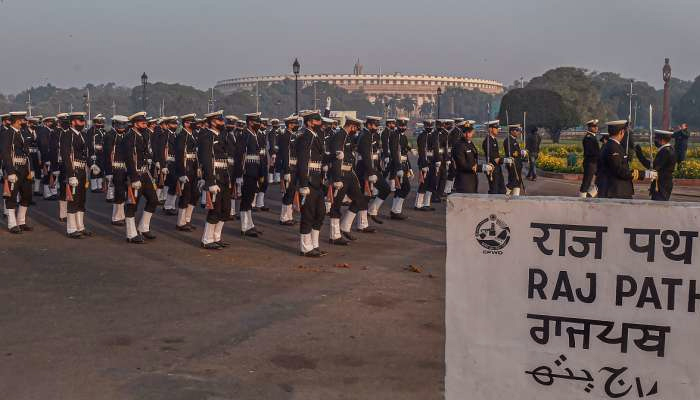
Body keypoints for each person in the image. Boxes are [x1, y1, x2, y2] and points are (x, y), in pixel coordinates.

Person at [327, 116, 369, 245]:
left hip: (350, 173)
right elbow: (336, 158)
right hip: (341, 174)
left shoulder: (347, 137)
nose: (356, 131)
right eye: (355, 128)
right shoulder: (339, 136)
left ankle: (345, 227)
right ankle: (334, 236)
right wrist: (336, 178)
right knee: (336, 205)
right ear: (352, 126)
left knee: (359, 200)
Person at [197, 110, 233, 249]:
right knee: (215, 210)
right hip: (214, 176)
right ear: (213, 122)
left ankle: (216, 237)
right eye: (220, 120)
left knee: (226, 210)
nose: (223, 123)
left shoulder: (223, 135)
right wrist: (210, 182)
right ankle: (206, 239)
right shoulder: (207, 136)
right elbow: (206, 160)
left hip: (224, 175)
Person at [122, 112, 159, 243]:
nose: (145, 125)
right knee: (132, 205)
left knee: (154, 199)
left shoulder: (142, 135)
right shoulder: (129, 137)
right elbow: (129, 159)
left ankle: (143, 227)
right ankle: (131, 234)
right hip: (135, 174)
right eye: (143, 123)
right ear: (135, 123)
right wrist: (133, 178)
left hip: (144, 173)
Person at [296, 110, 327, 257]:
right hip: (309, 181)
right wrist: (303, 184)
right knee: (308, 215)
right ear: (309, 122)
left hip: (318, 181)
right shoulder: (305, 137)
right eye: (317, 121)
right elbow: (302, 162)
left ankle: (314, 244)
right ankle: (305, 247)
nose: (320, 123)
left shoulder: (314, 136)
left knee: (320, 213)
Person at [598, 120, 653, 199]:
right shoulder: (613, 148)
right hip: (616, 191)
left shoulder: (612, 145)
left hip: (616, 190)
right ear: (621, 132)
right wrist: (644, 174)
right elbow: (621, 171)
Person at [61, 112, 93, 238]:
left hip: (82, 170)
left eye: (83, 121)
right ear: (73, 122)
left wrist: (92, 164)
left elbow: (86, 154)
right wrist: (71, 174)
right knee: (73, 200)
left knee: (81, 200)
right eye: (80, 121)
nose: (83, 123)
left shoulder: (83, 135)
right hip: (73, 170)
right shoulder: (67, 135)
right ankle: (71, 228)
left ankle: (80, 226)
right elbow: (66, 156)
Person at [2, 112, 33, 233]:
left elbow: (27, 153)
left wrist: (32, 169)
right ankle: (12, 224)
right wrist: (10, 172)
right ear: (17, 121)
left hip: (24, 168)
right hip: (14, 168)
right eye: (22, 120)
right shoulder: (7, 134)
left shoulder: (22, 133)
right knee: (12, 197)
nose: (24, 122)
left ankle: (21, 221)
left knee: (27, 195)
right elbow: (5, 153)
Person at [356, 116, 388, 228]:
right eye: (375, 125)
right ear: (369, 125)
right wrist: (370, 172)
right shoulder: (365, 136)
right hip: (365, 169)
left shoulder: (371, 135)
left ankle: (372, 211)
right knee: (365, 196)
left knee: (385, 189)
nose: (377, 127)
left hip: (373, 168)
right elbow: (365, 156)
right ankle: (362, 224)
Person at [235, 112, 264, 237]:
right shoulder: (245, 135)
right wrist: (239, 175)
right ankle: (244, 227)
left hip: (255, 171)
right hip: (247, 171)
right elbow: (240, 156)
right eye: (256, 121)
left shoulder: (256, 135)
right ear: (250, 122)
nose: (258, 123)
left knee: (250, 198)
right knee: (246, 200)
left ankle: (250, 225)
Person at [174, 113, 200, 231]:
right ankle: (180, 222)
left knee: (195, 195)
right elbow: (179, 155)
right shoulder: (181, 136)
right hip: (186, 168)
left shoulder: (193, 134)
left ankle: (187, 219)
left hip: (193, 167)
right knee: (186, 195)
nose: (194, 124)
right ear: (185, 123)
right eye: (191, 122)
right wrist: (181, 173)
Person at [635, 130, 676, 201]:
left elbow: (653, 167)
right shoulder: (668, 149)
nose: (655, 141)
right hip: (663, 183)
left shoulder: (665, 151)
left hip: (662, 185)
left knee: (659, 207)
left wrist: (640, 156)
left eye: (656, 139)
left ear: (662, 140)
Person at [103, 115, 129, 226]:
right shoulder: (110, 136)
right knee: (119, 193)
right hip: (115, 168)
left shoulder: (125, 135)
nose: (122, 127)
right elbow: (107, 155)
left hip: (125, 168)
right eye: (120, 124)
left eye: (124, 124)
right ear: (114, 124)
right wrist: (108, 172)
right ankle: (116, 217)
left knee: (124, 192)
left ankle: (121, 215)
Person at [452, 124, 492, 193]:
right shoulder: (459, 145)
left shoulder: (470, 143)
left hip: (472, 179)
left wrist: (484, 167)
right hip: (464, 181)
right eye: (465, 132)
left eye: (470, 132)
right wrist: (482, 167)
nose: (468, 135)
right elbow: (463, 165)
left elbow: (474, 159)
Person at [387, 117, 413, 219]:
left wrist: (410, 168)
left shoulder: (404, 137)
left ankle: (395, 211)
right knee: (406, 188)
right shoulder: (394, 136)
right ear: (397, 125)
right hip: (397, 165)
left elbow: (405, 153)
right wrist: (398, 168)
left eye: (404, 125)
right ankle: (396, 211)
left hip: (404, 164)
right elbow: (394, 153)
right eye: (401, 125)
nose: (403, 127)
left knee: (400, 189)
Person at [278, 115, 300, 226]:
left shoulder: (293, 135)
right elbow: (285, 154)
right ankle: (284, 217)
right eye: (295, 123)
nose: (297, 125)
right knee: (288, 193)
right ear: (290, 124)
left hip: (294, 167)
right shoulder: (285, 136)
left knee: (291, 192)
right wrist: (286, 171)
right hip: (289, 167)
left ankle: (289, 216)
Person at [414, 119, 435, 210]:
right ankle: (418, 204)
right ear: (424, 126)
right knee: (423, 184)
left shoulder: (434, 136)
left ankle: (426, 203)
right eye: (428, 126)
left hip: (432, 162)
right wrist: (423, 164)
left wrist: (437, 160)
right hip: (424, 162)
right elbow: (422, 151)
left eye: (431, 126)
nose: (429, 128)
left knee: (431, 183)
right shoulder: (422, 136)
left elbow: (436, 149)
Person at [482, 120, 506, 194]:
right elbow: (493, 158)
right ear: (490, 129)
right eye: (496, 128)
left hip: (498, 168)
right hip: (492, 169)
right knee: (494, 191)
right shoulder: (487, 141)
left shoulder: (494, 140)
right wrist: (505, 160)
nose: (497, 130)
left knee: (502, 190)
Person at [503, 124, 526, 196]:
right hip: (512, 164)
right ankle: (504, 195)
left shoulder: (514, 140)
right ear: (511, 131)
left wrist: (521, 152)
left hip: (517, 164)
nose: (518, 132)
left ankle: (516, 197)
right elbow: (513, 153)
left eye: (518, 131)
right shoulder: (508, 140)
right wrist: (520, 152)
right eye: (516, 131)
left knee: (517, 182)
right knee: (513, 181)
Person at [85, 114, 106, 193]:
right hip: (94, 153)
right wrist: (94, 147)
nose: (101, 124)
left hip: (102, 153)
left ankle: (99, 186)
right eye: (99, 122)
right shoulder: (91, 131)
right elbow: (88, 142)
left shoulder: (103, 131)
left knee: (101, 169)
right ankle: (94, 187)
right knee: (94, 170)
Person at [580, 119, 600, 198]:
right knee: (586, 182)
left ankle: (589, 196)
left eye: (596, 126)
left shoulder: (592, 137)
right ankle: (582, 198)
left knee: (601, 179)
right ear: (589, 127)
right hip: (590, 163)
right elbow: (589, 152)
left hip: (594, 163)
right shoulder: (588, 138)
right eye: (594, 126)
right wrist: (599, 154)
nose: (596, 128)